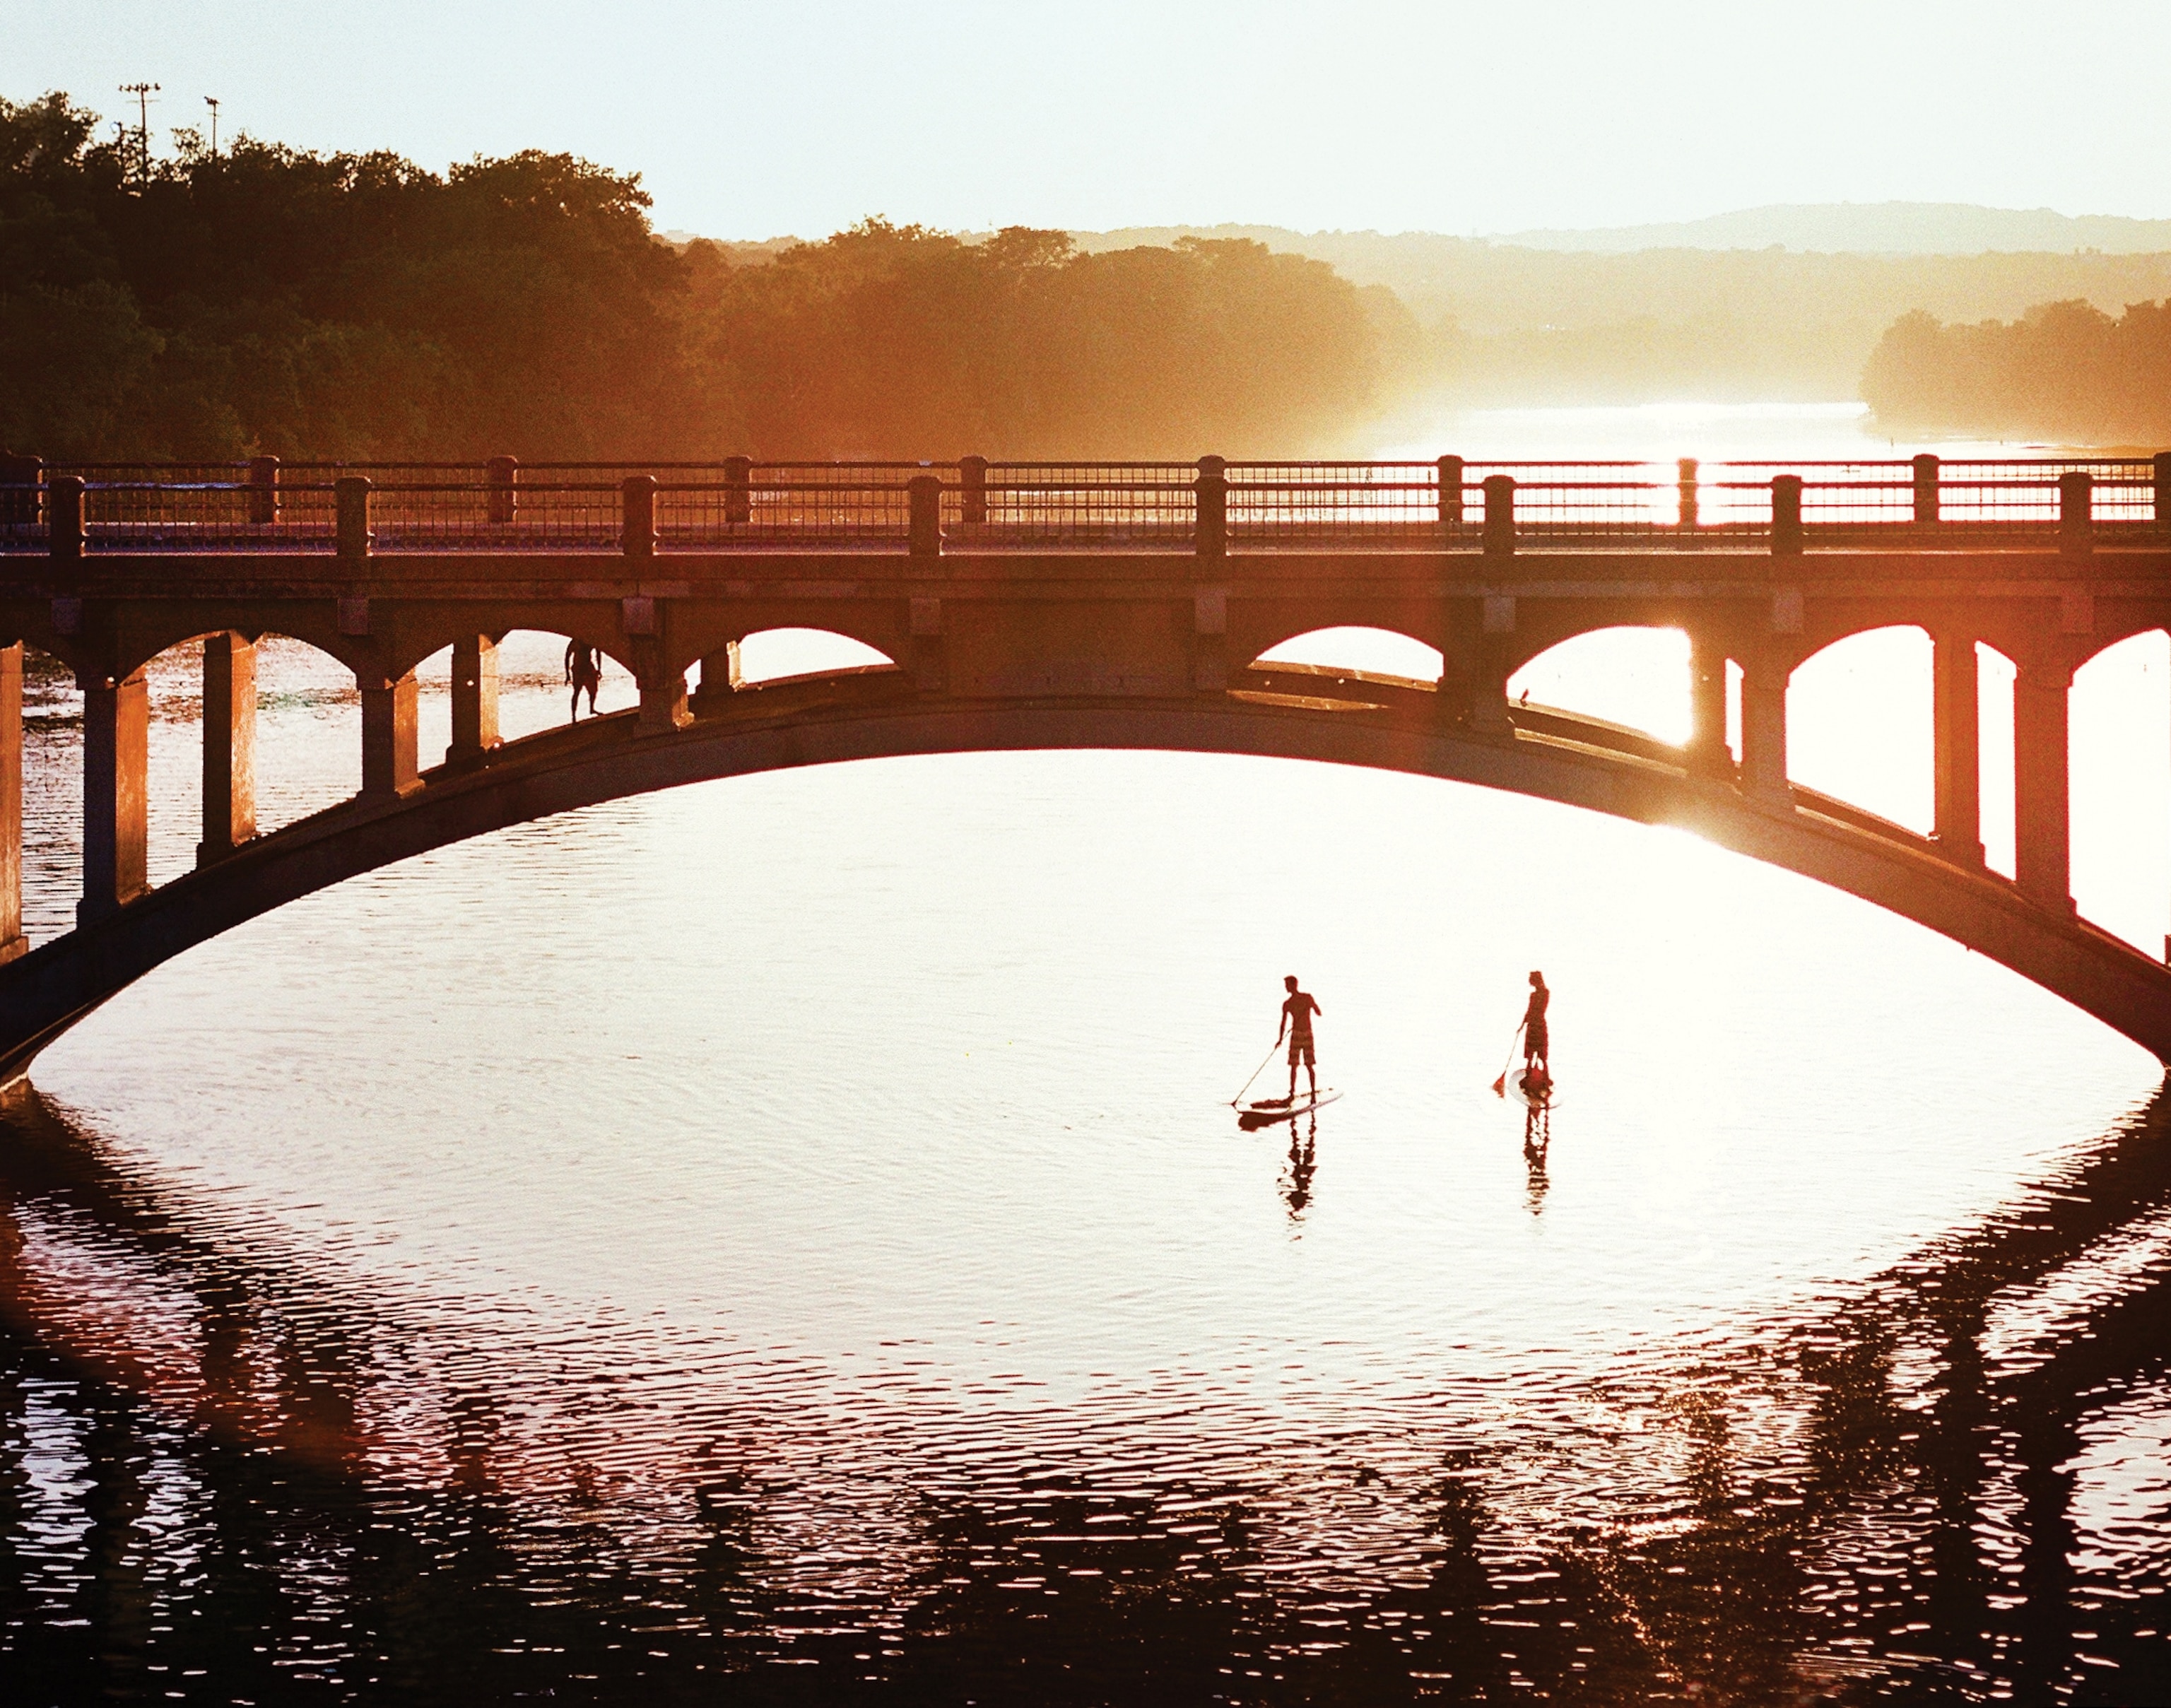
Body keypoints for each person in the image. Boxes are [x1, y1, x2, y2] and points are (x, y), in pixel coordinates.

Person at [1276, 975, 1322, 1102]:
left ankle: (1313, 1093)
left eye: (1287, 985)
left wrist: (1312, 1006)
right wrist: (1280, 1039)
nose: (1286, 987)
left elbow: (1319, 1013)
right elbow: (1283, 1023)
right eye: (1285, 985)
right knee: (1293, 1065)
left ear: (1294, 985)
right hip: (1295, 1035)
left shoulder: (1307, 998)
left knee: (1309, 1065)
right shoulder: (1287, 1004)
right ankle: (1292, 1093)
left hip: (1307, 1034)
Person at [1521, 970, 1551, 1100]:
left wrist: (1525, 1023)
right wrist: (1523, 1024)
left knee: (1538, 1053)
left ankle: (1534, 1079)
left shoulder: (1542, 994)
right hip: (1536, 1024)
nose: (1529, 981)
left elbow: (1533, 1010)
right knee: (1536, 1052)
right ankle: (1540, 1078)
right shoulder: (1541, 993)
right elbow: (1530, 1011)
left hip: (1535, 1025)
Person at [565, 640, 602, 721]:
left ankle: (592, 709)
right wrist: (567, 674)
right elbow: (567, 656)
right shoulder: (575, 641)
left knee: (594, 691)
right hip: (578, 669)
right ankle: (573, 716)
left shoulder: (590, 639)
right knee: (577, 692)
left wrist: (599, 669)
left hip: (588, 667)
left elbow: (598, 652)